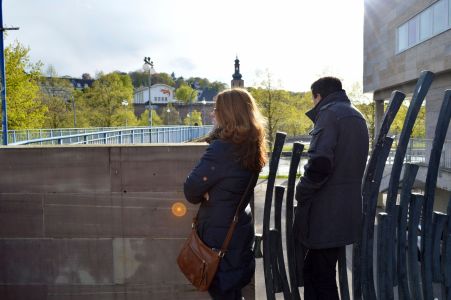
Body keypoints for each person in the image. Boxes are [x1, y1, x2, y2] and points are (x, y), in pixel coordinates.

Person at [184, 88, 267, 300]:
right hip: (238, 231)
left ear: (228, 113)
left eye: (216, 109)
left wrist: (207, 192)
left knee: (222, 292)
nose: (212, 114)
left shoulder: (221, 149)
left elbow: (191, 190)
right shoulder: (253, 144)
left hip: (219, 238)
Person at [293, 77, 369, 299]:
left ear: (318, 96)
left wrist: (302, 190)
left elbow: (320, 164)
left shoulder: (328, 114)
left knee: (320, 276)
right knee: (321, 272)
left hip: (326, 212)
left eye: (313, 98)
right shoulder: (357, 115)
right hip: (346, 210)